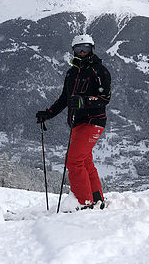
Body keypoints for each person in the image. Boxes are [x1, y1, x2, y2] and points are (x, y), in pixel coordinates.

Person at [36, 34, 111, 209]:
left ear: (92, 48)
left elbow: (105, 98)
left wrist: (84, 101)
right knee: (84, 161)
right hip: (77, 123)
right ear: (73, 51)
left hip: (94, 121)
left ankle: (84, 203)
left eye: (85, 48)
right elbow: (65, 99)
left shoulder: (100, 71)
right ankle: (96, 198)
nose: (82, 52)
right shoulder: (72, 73)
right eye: (79, 49)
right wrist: (48, 114)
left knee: (73, 161)